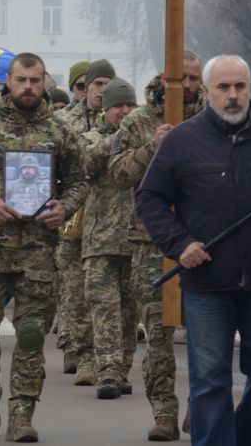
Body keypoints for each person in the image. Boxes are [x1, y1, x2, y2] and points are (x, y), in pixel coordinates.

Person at [136, 55, 251, 446]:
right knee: (210, 380)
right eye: (223, 87)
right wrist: (179, 244)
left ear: (250, 88)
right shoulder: (182, 141)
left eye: (240, 86)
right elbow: (150, 199)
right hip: (207, 283)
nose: (233, 95)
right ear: (207, 92)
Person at [0, 52, 87, 440]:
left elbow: (78, 181)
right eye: (21, 80)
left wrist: (65, 206)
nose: (28, 87)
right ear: (8, 82)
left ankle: (22, 414)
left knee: (31, 335)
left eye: (35, 80)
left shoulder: (60, 131)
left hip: (39, 248)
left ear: (44, 82)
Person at [110, 53, 205, 440]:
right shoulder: (137, 122)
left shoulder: (213, 121)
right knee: (159, 333)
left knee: (205, 335)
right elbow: (117, 173)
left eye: (194, 78)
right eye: (180, 77)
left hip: (203, 242)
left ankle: (199, 407)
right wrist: (154, 146)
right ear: (165, 77)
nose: (187, 85)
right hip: (151, 242)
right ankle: (164, 412)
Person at [79, 78, 139, 400]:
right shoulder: (90, 138)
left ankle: (123, 368)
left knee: (130, 312)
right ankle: (108, 371)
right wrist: (119, 137)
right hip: (100, 240)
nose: (126, 111)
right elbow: (85, 165)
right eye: (119, 106)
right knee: (104, 309)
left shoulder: (143, 139)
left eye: (130, 106)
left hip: (136, 238)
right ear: (106, 109)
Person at [56, 59, 115, 385]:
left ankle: (103, 355)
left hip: (107, 221)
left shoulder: (122, 120)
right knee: (76, 291)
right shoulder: (65, 121)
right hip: (73, 217)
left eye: (108, 84)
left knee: (102, 294)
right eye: (96, 84)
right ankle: (83, 355)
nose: (101, 90)